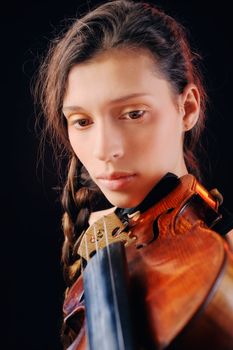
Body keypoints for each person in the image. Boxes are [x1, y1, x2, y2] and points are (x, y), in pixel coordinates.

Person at [34, 0, 233, 348]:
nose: (104, 150)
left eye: (133, 114)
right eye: (82, 121)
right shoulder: (98, 244)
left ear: (187, 108)